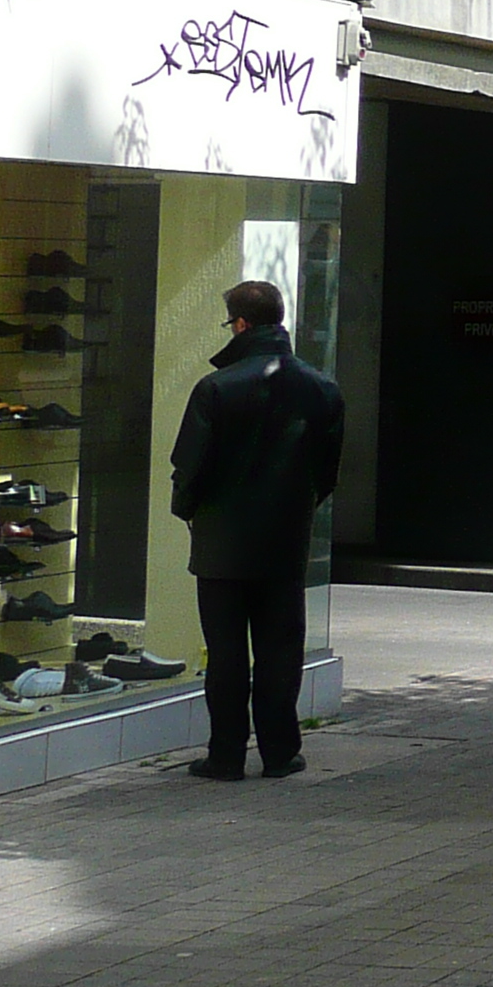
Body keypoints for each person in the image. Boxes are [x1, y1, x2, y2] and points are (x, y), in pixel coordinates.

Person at [168, 278, 343, 781]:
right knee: (280, 651)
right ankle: (280, 751)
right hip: (284, 542)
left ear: (240, 324)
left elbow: (191, 466)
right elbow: (325, 472)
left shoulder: (216, 388)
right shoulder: (321, 388)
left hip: (222, 543)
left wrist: (191, 513)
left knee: (226, 657)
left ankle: (225, 755)